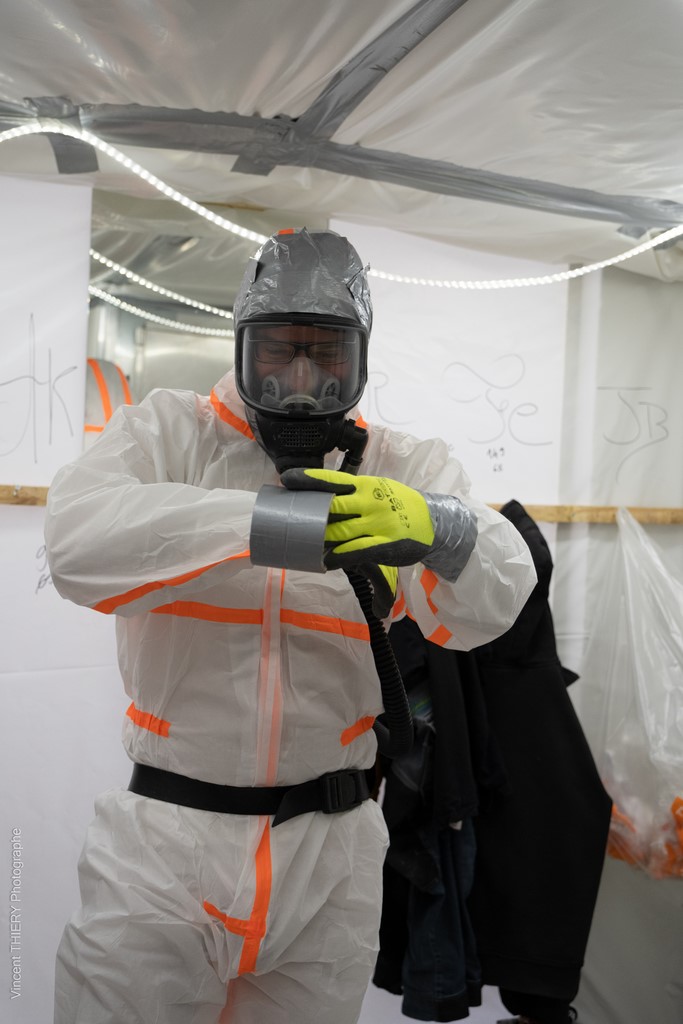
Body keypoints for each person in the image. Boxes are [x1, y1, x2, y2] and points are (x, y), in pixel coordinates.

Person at [46, 228, 537, 1024]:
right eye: (278, 350)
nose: (301, 380)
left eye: (326, 353)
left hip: (330, 855)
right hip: (165, 849)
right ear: (243, 346)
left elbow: (490, 609)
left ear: (360, 356)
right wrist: (268, 524)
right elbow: (75, 545)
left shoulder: (400, 467)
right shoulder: (167, 435)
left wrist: (444, 528)